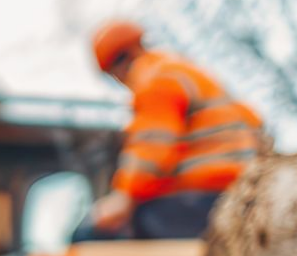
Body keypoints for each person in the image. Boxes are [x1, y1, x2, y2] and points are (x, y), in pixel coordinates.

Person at [81, 21, 263, 241]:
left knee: (93, 234)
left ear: (118, 66)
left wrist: (123, 198)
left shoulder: (155, 80)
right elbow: (255, 125)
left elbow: (152, 146)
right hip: (238, 192)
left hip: (204, 199)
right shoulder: (183, 71)